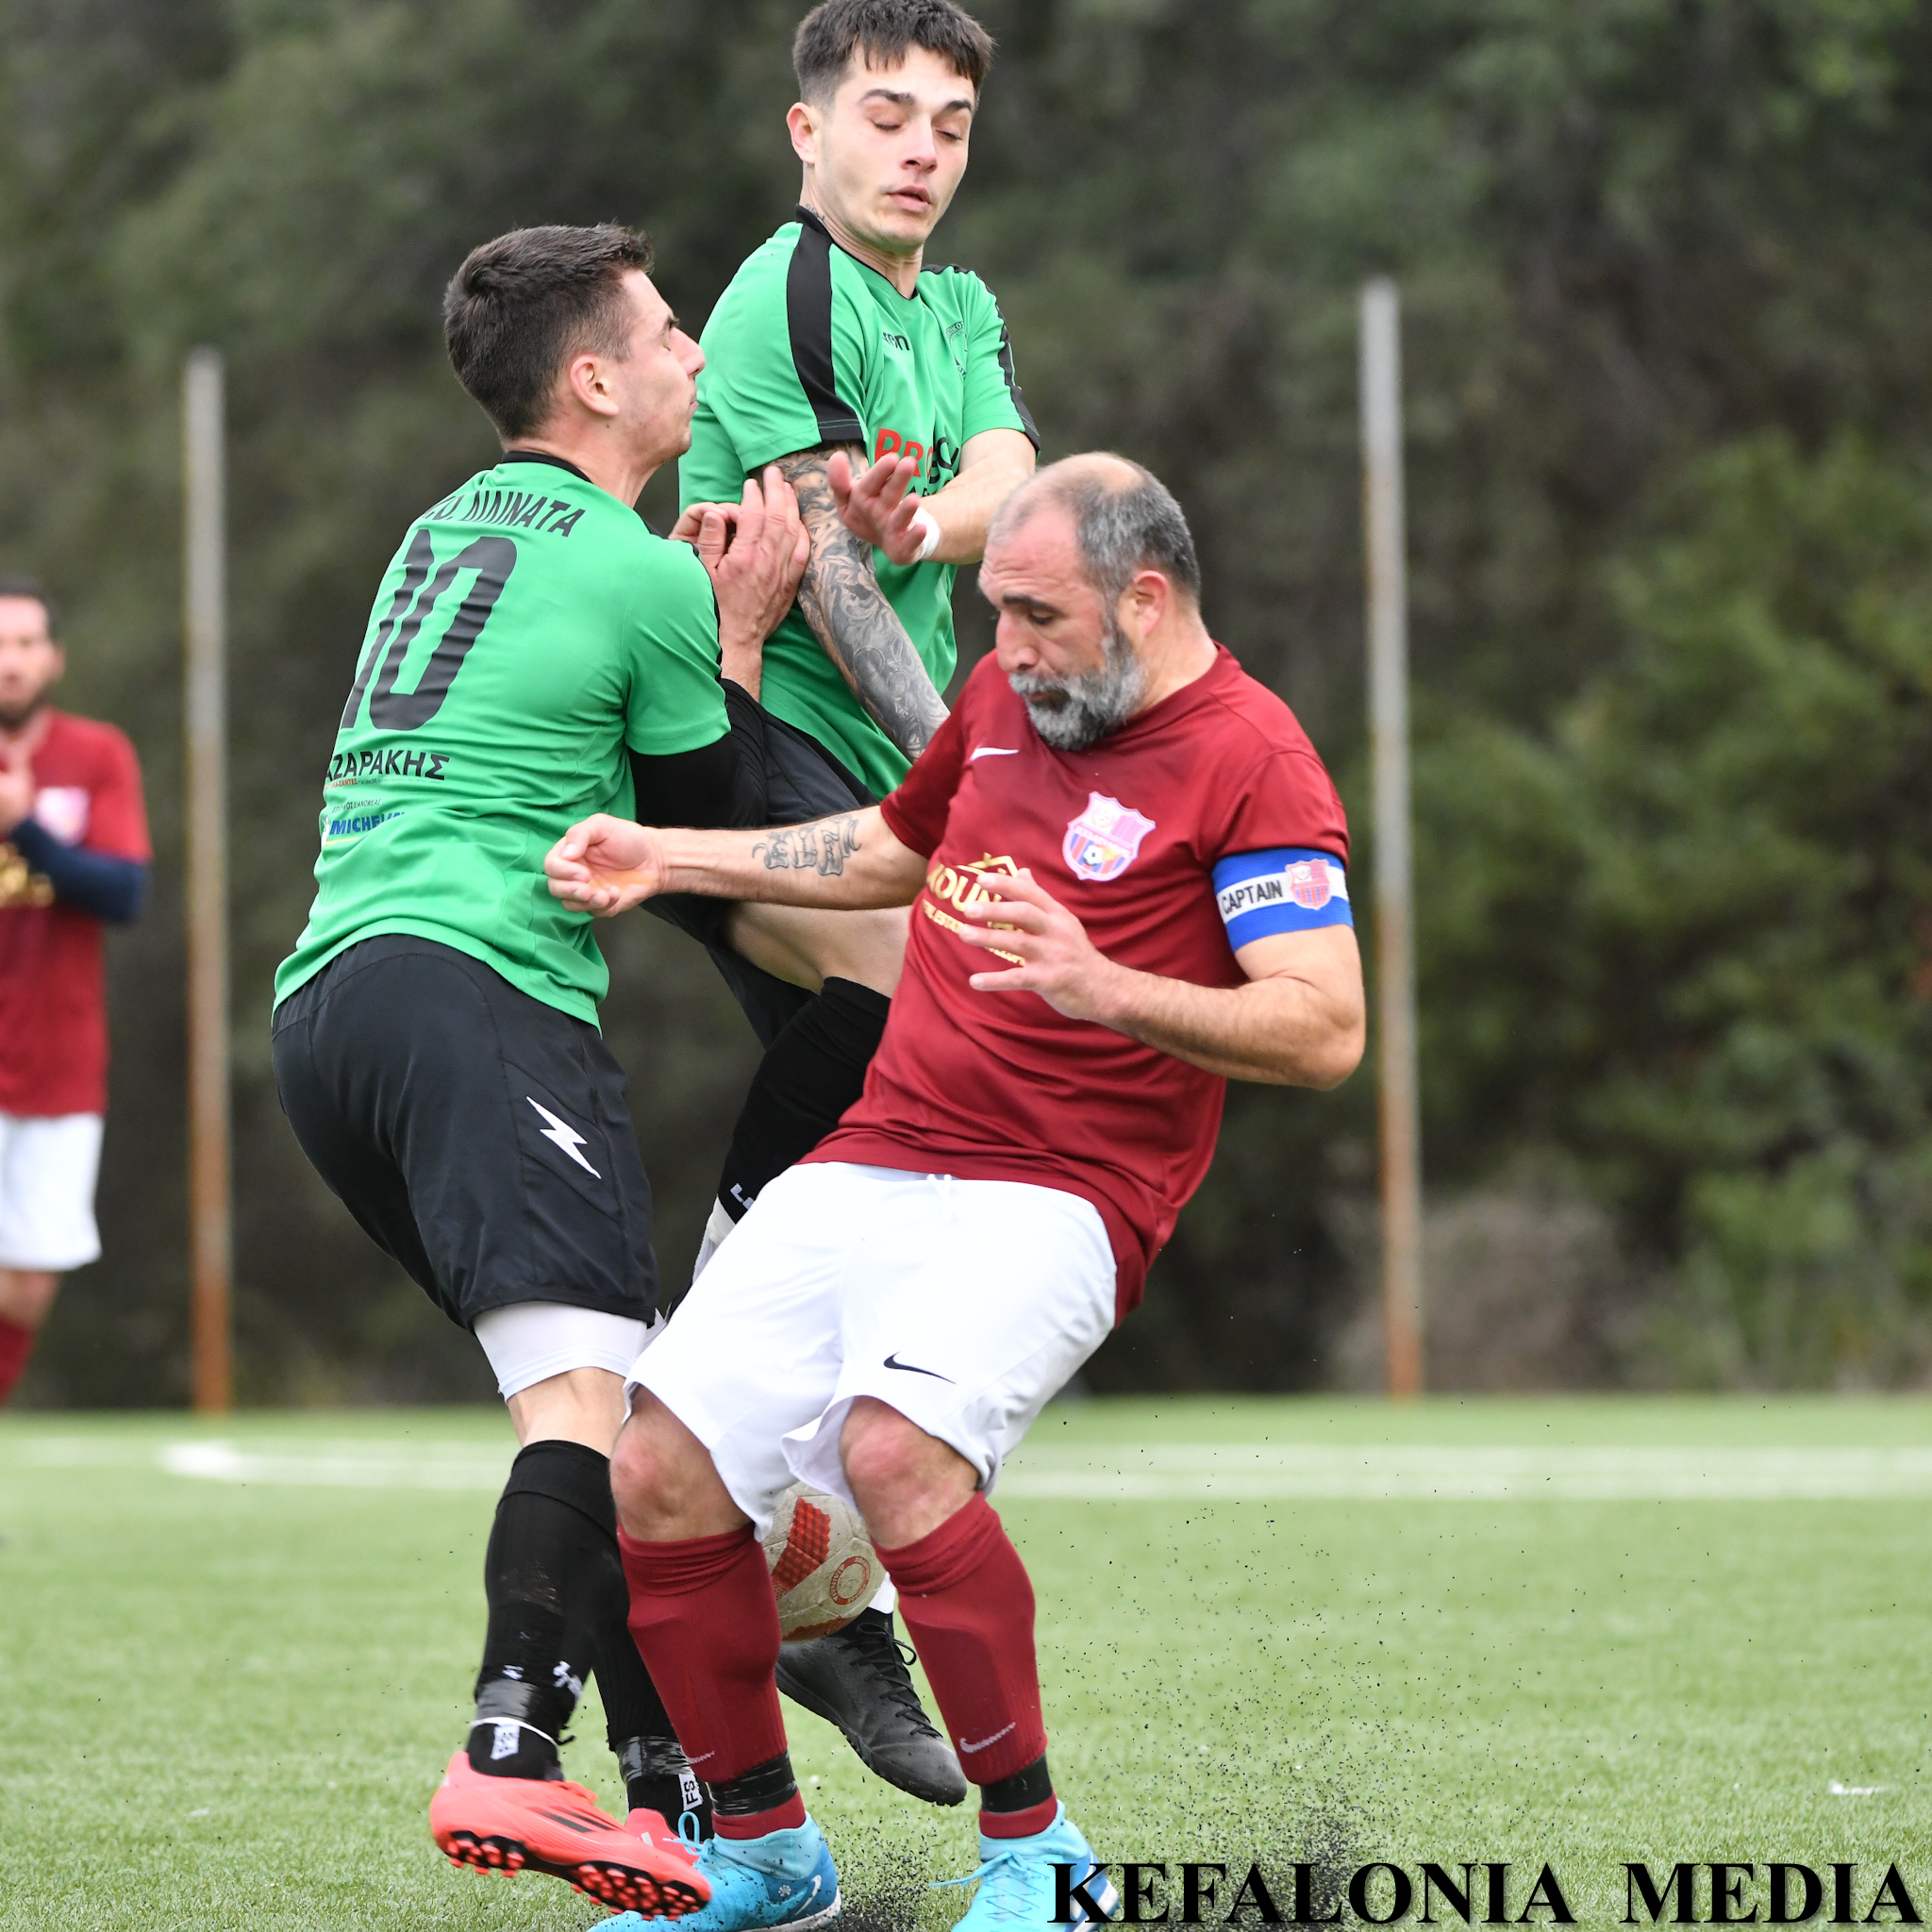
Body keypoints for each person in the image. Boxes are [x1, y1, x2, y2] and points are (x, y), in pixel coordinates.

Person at [544, 454, 1368, 1932]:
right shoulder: (1004, 700)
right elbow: (886, 850)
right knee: (654, 1468)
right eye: (996, 611)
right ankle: (764, 1857)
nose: (1008, 650)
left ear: (1147, 600)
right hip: (881, 1150)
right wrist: (668, 855)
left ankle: (1041, 1859)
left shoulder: (1256, 759)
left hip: (1067, 1189)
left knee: (895, 1455)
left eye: (1040, 617)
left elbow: (1324, 1028)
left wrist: (1105, 984)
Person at [270, 223, 808, 1917]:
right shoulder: (638, 572)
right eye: (667, 333)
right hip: (476, 995)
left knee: (614, 1414)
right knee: (587, 1415)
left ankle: (666, 1801)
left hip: (332, 1012)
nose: (694, 355)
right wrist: (736, 625)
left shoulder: (438, 528)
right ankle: (509, 1752)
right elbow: (714, 834)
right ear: (593, 379)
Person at [663, 0, 1036, 1806]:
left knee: (928, 1114)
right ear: (804, 132)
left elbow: (1003, 484)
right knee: (906, 1006)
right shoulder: (788, 294)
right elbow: (826, 580)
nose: (921, 149)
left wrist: (933, 523)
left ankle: (797, 1576)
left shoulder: (949, 307)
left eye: (949, 122)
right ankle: (719, 1411)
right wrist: (974, 771)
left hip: (866, 755)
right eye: (887, 115)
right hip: (750, 726)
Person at [0, 578, 148, 1407]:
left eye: (26, 643)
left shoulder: (96, 756)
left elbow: (124, 894)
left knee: (26, 1286)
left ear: (54, 658)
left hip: (58, 1061)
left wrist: (25, 827)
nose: (10, 661)